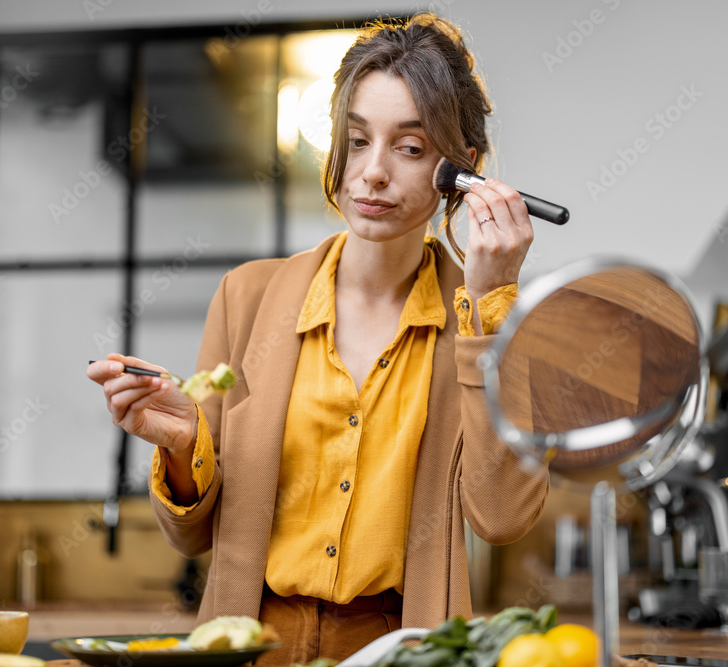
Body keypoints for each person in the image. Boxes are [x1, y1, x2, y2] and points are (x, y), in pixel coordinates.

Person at [87, 13, 548, 664]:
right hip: (249, 645)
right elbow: (189, 536)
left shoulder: (486, 320)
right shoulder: (245, 299)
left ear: (462, 169)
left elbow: (501, 516)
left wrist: (495, 304)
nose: (373, 173)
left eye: (410, 149)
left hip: (399, 648)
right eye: (358, 140)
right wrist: (187, 444)